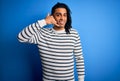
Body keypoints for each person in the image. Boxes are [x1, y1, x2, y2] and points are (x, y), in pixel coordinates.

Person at [18, 2, 85, 81]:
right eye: (58, 15)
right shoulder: (42, 34)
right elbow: (21, 37)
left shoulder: (74, 33)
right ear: (52, 17)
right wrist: (44, 22)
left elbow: (79, 58)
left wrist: (81, 79)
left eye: (64, 15)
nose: (62, 18)